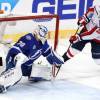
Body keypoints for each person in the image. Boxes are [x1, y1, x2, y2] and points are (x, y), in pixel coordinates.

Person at [0, 24, 64, 93]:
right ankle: (2, 82)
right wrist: (19, 57)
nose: (43, 35)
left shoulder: (43, 43)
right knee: (16, 75)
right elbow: (15, 49)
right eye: (42, 33)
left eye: (45, 34)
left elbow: (49, 53)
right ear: (36, 31)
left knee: (42, 72)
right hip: (14, 59)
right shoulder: (28, 38)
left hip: (26, 65)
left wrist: (58, 60)